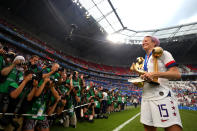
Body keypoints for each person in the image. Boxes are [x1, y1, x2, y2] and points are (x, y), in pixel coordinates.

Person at [139, 36, 182, 131]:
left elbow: (176, 74)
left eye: (146, 41)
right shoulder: (144, 60)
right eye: (142, 41)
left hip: (162, 95)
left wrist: (155, 74)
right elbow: (148, 77)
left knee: (171, 126)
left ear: (154, 43)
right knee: (148, 127)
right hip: (146, 97)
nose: (143, 42)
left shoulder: (163, 53)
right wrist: (140, 81)